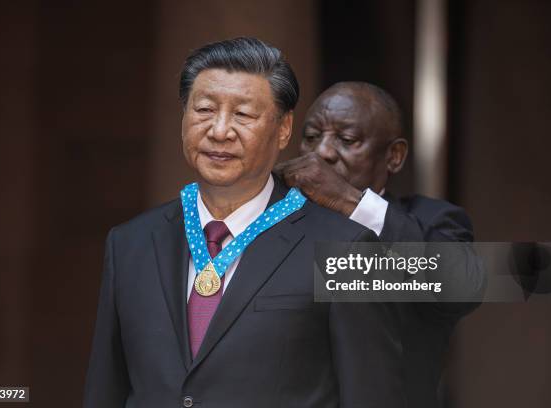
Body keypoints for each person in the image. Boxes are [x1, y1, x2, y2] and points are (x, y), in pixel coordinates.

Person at [84, 39, 405, 408]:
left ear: (284, 128)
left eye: (243, 115)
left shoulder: (345, 250)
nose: (220, 131)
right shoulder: (129, 244)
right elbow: (105, 391)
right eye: (204, 109)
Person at [276, 81, 484, 408]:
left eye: (346, 140)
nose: (323, 152)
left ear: (395, 156)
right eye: (312, 137)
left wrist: (349, 202)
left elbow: (463, 286)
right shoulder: (277, 221)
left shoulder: (432, 220)